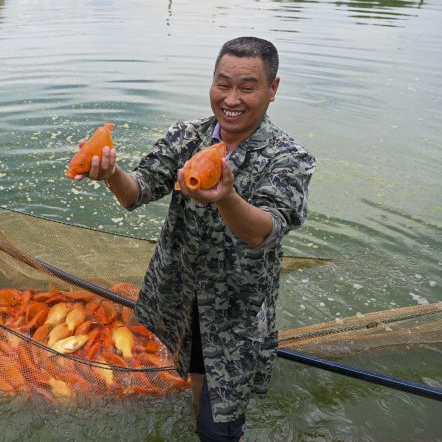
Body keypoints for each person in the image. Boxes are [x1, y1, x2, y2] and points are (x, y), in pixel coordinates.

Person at [74, 37, 315, 441]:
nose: (231, 99)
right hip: (185, 295)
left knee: (219, 430)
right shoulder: (186, 137)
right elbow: (138, 192)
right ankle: (202, 402)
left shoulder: (289, 157)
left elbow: (266, 230)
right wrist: (111, 173)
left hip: (238, 311)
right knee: (198, 371)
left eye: (247, 86)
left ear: (273, 90)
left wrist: (227, 198)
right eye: (223, 84)